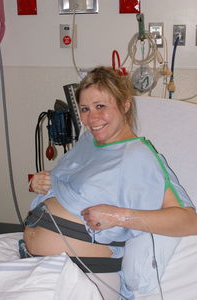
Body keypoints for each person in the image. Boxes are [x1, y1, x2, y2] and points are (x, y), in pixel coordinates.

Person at [22, 66, 197, 300]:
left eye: (100, 106)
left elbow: (188, 220)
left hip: (83, 274)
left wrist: (118, 217)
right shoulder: (87, 142)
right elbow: (71, 187)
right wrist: (41, 183)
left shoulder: (138, 155)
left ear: (124, 105)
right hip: (38, 264)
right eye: (85, 109)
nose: (91, 119)